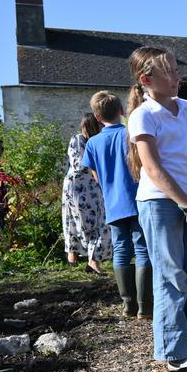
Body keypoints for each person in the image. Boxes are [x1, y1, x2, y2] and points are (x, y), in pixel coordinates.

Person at [127, 46, 187, 372]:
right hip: (159, 203)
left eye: (175, 69)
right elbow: (152, 168)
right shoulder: (143, 115)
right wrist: (184, 203)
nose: (176, 77)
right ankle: (176, 353)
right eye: (168, 71)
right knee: (172, 276)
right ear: (147, 79)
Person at [83, 90, 153, 318]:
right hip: (138, 198)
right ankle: (145, 305)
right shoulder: (130, 134)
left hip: (113, 203)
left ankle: (128, 305)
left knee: (121, 250)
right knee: (142, 248)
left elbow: (95, 176)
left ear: (96, 116)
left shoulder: (92, 143)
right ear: (122, 111)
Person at [62, 114, 112, 273]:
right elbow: (80, 164)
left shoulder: (92, 141)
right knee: (86, 222)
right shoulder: (78, 140)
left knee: (98, 222)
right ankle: (84, 258)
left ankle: (90, 259)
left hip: (88, 186)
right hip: (81, 186)